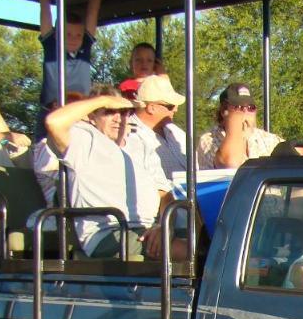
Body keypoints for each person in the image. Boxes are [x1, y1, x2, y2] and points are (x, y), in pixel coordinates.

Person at [44, 86, 176, 260]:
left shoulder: (140, 146)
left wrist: (164, 227)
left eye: (123, 112)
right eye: (108, 112)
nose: (118, 118)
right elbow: (54, 122)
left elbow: (165, 194)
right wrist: (103, 100)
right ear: (92, 116)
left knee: (207, 242)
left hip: (148, 227)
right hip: (111, 231)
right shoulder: (85, 140)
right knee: (192, 252)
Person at [37, 0, 103, 111]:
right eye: (67, 34)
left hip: (80, 111)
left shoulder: (85, 46)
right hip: (50, 111)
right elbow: (45, 8)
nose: (74, 39)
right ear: (56, 34)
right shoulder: (51, 45)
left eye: (78, 35)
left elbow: (93, 12)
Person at [196, 83, 283, 169]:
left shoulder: (267, 139)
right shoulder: (209, 140)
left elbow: (292, 155)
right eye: (239, 107)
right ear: (224, 111)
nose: (245, 112)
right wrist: (238, 132)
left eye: (250, 107)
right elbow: (230, 164)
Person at [128, 75, 189, 185]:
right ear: (151, 107)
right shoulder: (128, 137)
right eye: (170, 106)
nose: (176, 109)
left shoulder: (177, 133)